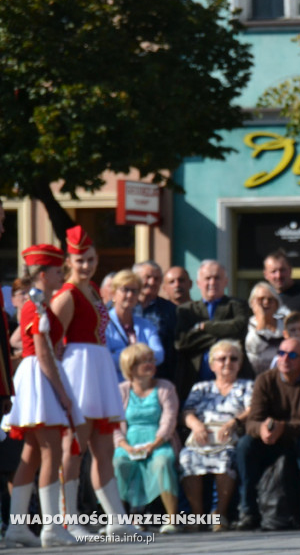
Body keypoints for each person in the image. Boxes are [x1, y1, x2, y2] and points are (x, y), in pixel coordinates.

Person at [51, 225, 137, 536]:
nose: (86, 266)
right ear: (69, 262)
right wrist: (60, 387)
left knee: (104, 450)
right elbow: (51, 343)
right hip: (79, 372)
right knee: (73, 447)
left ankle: (117, 520)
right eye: (80, 260)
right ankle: (68, 520)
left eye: (90, 259)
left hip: (98, 369)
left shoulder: (93, 289)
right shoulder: (67, 294)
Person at [3, 244, 82, 547]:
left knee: (32, 454)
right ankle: (50, 526)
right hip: (39, 375)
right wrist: (62, 393)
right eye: (57, 271)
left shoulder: (38, 304)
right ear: (43, 274)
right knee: (51, 451)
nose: (61, 275)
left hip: (35, 373)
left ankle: (18, 527)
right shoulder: (34, 305)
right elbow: (42, 351)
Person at [236, 337, 300, 530]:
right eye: (281, 353)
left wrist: (283, 428)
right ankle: (247, 511)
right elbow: (252, 421)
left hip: (299, 441)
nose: (285, 359)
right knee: (245, 445)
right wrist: (261, 429)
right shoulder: (265, 380)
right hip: (270, 441)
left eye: (293, 355)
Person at [180, 339, 253, 529]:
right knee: (187, 458)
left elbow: (252, 409)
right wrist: (196, 425)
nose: (227, 363)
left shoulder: (247, 386)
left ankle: (218, 514)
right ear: (212, 365)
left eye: (233, 358)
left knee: (226, 458)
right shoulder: (201, 388)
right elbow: (187, 412)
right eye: (222, 359)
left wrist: (234, 422)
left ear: (240, 363)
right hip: (202, 435)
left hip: (229, 434)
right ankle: (197, 516)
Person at [112, 343, 180, 531]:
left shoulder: (166, 388)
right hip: (128, 442)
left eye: (151, 360)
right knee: (120, 463)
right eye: (144, 361)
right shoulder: (121, 390)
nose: (150, 364)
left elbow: (169, 420)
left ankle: (172, 519)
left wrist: (154, 444)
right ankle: (120, 519)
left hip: (159, 441)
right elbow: (114, 424)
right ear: (130, 367)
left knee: (162, 462)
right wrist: (125, 446)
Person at [175, 259, 253, 402]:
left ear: (226, 282)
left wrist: (204, 327)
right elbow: (182, 342)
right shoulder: (186, 310)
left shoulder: (236, 305)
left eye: (217, 278)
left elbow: (239, 328)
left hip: (233, 381)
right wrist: (223, 334)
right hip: (194, 379)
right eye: (208, 278)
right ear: (198, 283)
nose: (212, 282)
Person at [105, 270, 165, 382]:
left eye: (135, 291)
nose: (130, 295)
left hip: (143, 389)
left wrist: (122, 355)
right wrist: (145, 358)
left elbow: (159, 355)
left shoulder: (146, 325)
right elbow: (105, 359)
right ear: (113, 293)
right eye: (125, 289)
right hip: (115, 387)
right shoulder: (103, 324)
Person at [133, 261, 179, 381]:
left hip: (159, 377)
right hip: (125, 376)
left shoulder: (170, 310)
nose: (152, 282)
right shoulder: (123, 306)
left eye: (157, 279)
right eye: (147, 277)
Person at [264, 250, 300, 330]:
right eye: (273, 271)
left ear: (290, 270)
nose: (278, 275)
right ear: (266, 274)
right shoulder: (263, 299)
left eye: (282, 270)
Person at [244, 281, 286, 374]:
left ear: (277, 304)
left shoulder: (284, 325)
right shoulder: (246, 325)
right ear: (252, 303)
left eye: (270, 300)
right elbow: (254, 348)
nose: (266, 302)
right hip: (254, 375)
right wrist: (262, 320)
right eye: (261, 299)